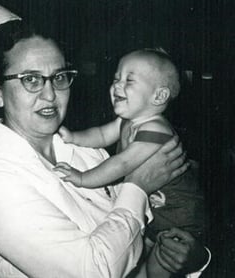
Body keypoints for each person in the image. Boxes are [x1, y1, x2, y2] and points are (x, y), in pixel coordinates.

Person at [0, 1, 209, 278]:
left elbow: (133, 247)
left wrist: (193, 262)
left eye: (59, 77)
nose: (50, 94)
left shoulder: (84, 152)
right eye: (31, 79)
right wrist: (136, 185)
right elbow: (94, 272)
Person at [54, 49, 206, 246]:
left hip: (181, 212)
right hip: (156, 205)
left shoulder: (156, 128)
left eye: (129, 80)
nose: (117, 84)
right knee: (150, 250)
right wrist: (74, 137)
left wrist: (84, 178)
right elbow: (101, 135)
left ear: (158, 96)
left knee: (168, 252)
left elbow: (123, 163)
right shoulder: (127, 120)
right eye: (117, 78)